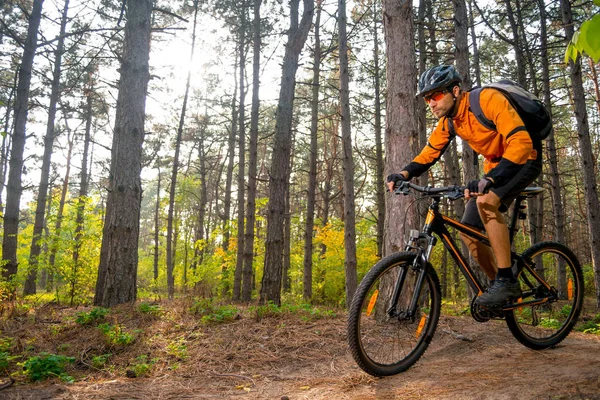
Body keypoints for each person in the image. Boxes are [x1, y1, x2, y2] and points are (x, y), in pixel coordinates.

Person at [387, 65, 542, 308]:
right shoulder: (450, 121)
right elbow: (430, 152)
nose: (431, 103)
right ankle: (502, 290)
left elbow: (521, 142)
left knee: (486, 202)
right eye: (428, 99)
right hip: (496, 168)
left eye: (436, 95)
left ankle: (505, 280)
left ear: (455, 91)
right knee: (468, 230)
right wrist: (403, 173)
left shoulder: (488, 100)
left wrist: (490, 180)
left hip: (524, 158)